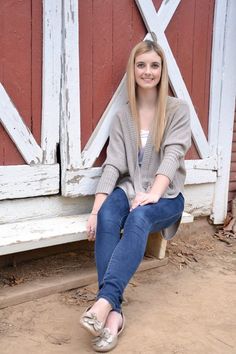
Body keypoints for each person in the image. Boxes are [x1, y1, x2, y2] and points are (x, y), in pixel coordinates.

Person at [80, 39, 191, 352]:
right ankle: (113, 314)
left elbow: (173, 155)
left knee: (140, 216)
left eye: (154, 65)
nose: (148, 71)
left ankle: (104, 302)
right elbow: (113, 165)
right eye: (141, 65)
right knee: (107, 214)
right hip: (130, 188)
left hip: (166, 195)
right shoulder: (122, 117)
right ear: (133, 69)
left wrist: (154, 193)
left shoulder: (178, 110)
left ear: (162, 70)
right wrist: (95, 209)